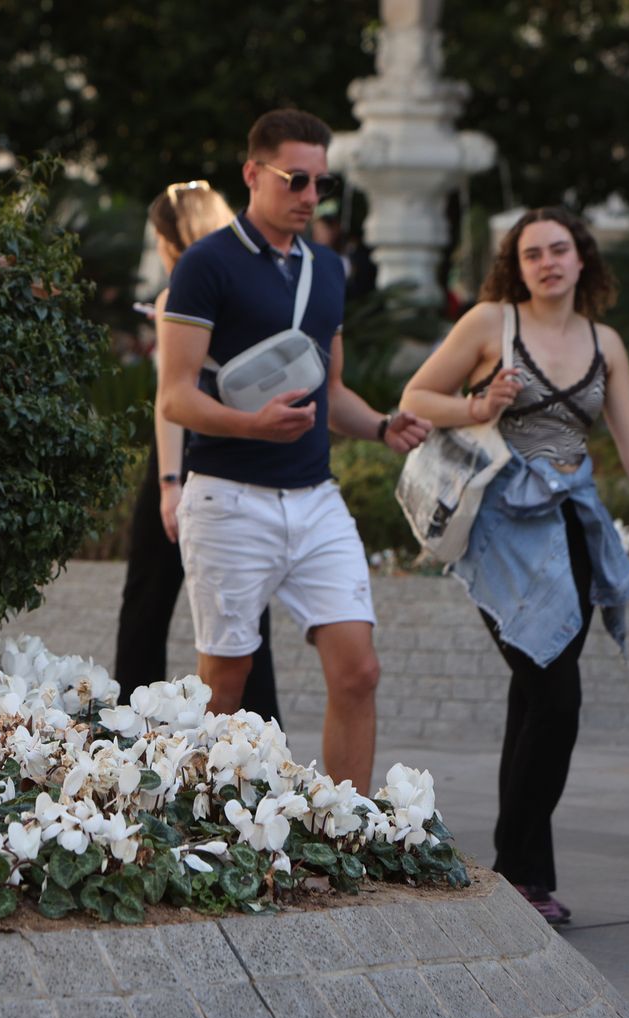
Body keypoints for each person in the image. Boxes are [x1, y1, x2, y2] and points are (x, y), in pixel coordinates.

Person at [398, 206, 629, 923]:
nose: (546, 262)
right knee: (554, 693)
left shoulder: (606, 343)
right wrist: (483, 402)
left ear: (582, 260)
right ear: (518, 265)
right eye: (532, 252)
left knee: (539, 694)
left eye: (559, 249)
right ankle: (520, 870)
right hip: (500, 528)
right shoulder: (490, 323)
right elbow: (415, 397)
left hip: (571, 522)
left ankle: (519, 874)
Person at [156, 109, 430, 792]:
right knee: (226, 680)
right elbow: (174, 397)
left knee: (358, 669)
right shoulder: (204, 264)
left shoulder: (329, 268)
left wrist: (379, 425)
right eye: (297, 179)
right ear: (254, 174)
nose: (311, 196)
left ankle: (346, 828)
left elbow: (328, 391)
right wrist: (251, 427)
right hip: (227, 497)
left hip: (314, 499)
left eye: (322, 184)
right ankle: (207, 830)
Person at [114, 181, 280, 722]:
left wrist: (167, 484)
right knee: (247, 613)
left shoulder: (179, 293)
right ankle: (261, 739)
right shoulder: (250, 284)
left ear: (170, 236)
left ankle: (130, 727)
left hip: (188, 466)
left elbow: (170, 403)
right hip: (246, 461)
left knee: (147, 604)